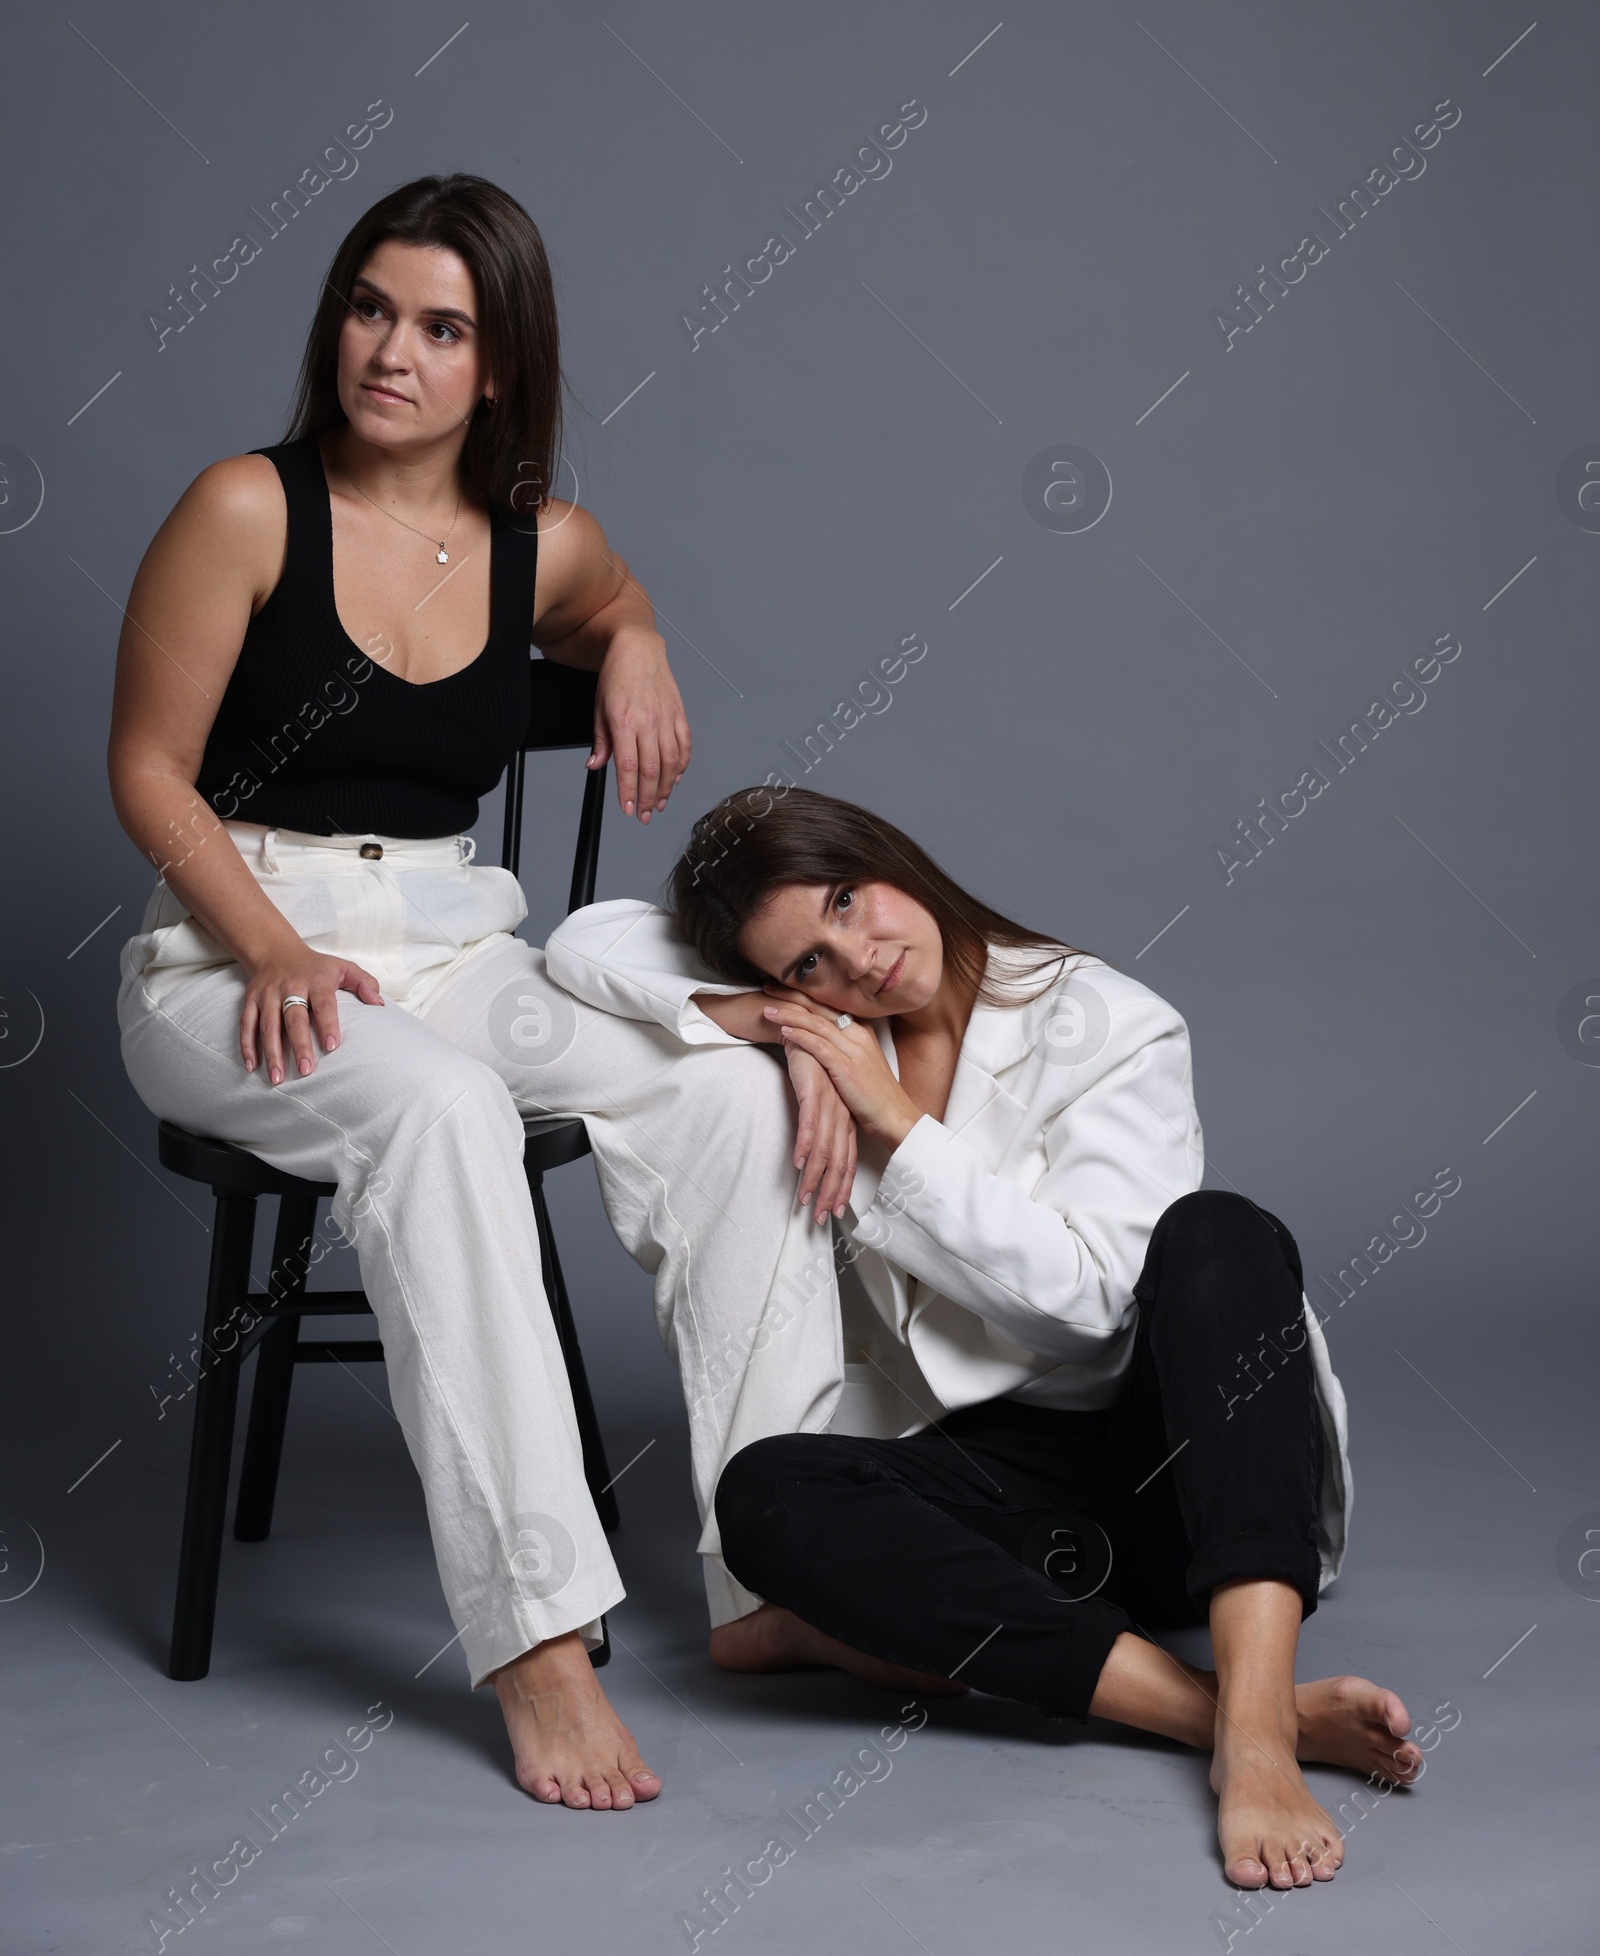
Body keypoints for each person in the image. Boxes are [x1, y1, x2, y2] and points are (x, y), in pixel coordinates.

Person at [111, 173, 731, 1811]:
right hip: (230, 951)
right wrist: (265, 943)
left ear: (501, 366)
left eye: (441, 326)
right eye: (370, 307)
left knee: (719, 1072)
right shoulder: (246, 507)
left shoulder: (542, 545)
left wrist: (641, 630)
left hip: (453, 940)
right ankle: (536, 1639)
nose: (390, 349)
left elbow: (602, 598)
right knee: (443, 1107)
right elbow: (146, 769)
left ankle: (785, 1549)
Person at [541, 784, 1424, 1892]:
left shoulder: (1104, 1019)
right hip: (1010, 1488)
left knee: (1222, 1235)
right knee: (762, 1495)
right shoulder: (829, 1027)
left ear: (889, 856)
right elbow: (585, 940)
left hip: (1178, 1468)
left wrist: (895, 1124)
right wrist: (781, 1027)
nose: (857, 960)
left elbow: (1090, 1300)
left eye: (851, 900)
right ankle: (1222, 1715)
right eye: (806, 962)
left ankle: (1252, 1730)